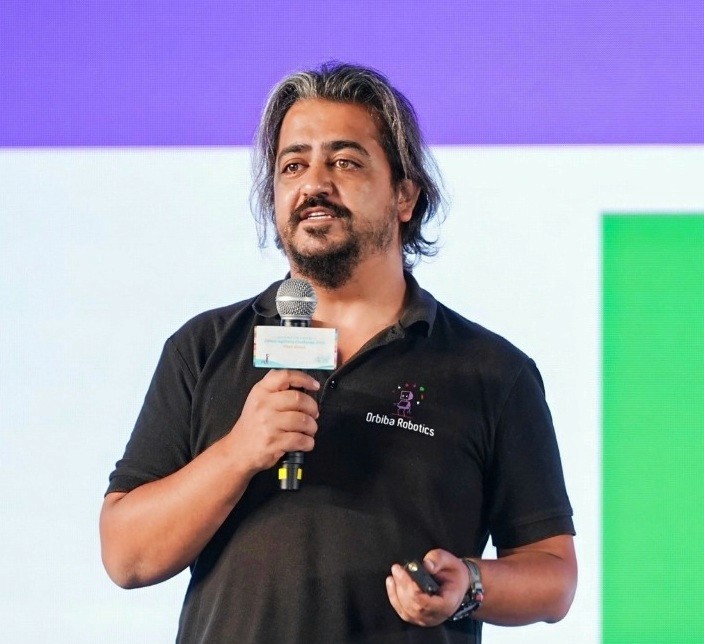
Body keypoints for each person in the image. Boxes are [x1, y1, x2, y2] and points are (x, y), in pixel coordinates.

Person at [100, 62, 576, 643]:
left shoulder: (490, 370)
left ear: (405, 196)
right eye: (293, 165)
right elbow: (127, 556)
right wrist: (238, 452)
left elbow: (553, 577)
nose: (314, 184)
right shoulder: (204, 348)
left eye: (345, 162)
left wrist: (471, 585)